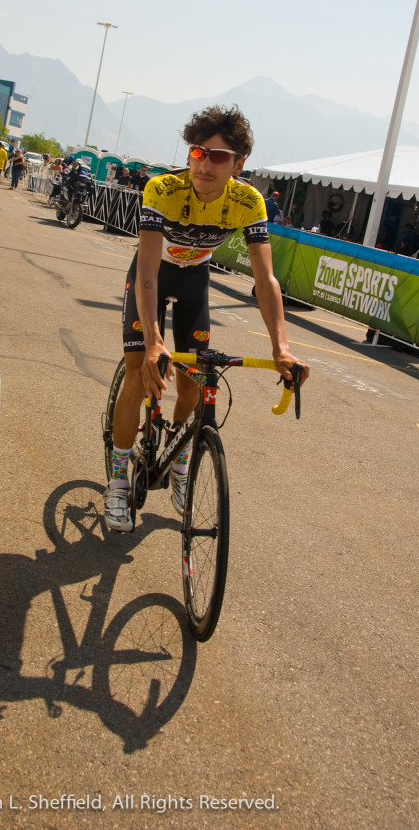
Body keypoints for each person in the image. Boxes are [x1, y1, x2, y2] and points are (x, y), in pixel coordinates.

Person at [104, 104, 310, 532]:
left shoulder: (247, 201)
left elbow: (265, 277)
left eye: (218, 156)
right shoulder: (163, 189)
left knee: (193, 382)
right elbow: (145, 270)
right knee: (138, 368)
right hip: (153, 275)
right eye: (199, 152)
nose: (205, 163)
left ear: (239, 163)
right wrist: (155, 340)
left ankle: (179, 462)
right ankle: (119, 481)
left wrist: (282, 349)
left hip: (194, 278)